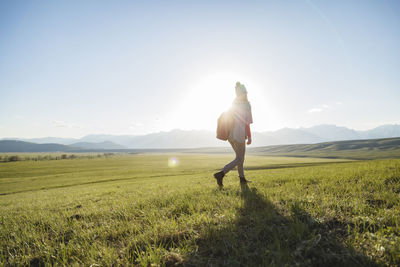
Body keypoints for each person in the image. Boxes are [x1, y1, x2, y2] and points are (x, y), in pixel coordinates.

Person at [214, 82, 253, 186]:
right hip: (239, 135)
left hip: (230, 135)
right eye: (245, 93)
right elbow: (247, 123)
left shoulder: (233, 104)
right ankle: (221, 174)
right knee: (240, 158)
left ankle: (242, 179)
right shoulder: (247, 105)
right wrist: (249, 137)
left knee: (239, 158)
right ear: (244, 94)